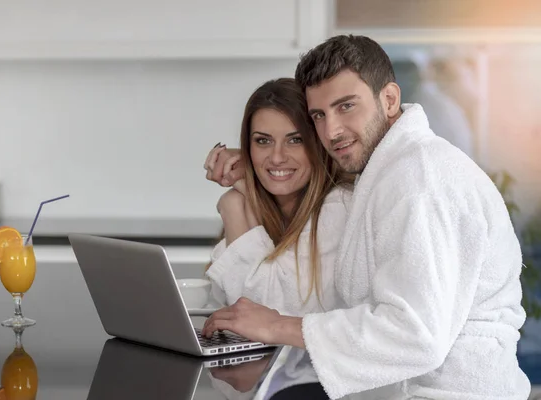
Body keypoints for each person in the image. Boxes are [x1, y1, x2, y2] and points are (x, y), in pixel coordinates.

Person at [202, 35, 531, 399]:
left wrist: (277, 324)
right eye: (319, 116)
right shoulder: (387, 175)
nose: (332, 131)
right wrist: (252, 176)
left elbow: (413, 334)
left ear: (389, 99)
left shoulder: (420, 181)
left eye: (346, 107)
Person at [203, 77, 354, 317]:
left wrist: (232, 205)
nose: (276, 157)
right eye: (263, 141)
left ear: (318, 144)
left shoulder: (340, 205)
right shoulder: (259, 205)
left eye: (295, 140)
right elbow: (224, 300)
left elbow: (266, 311)